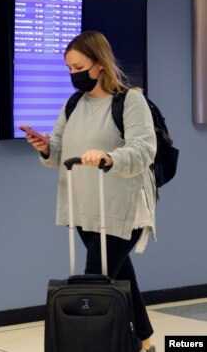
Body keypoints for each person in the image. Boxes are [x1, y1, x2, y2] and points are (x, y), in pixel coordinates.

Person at [26, 30, 157, 352]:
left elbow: (144, 149)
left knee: (91, 283)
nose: (74, 74)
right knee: (120, 276)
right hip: (83, 206)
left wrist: (109, 156)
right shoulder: (73, 104)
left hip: (122, 206)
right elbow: (57, 154)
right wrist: (45, 148)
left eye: (78, 67)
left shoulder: (130, 100)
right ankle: (145, 341)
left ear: (99, 64)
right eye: (69, 69)